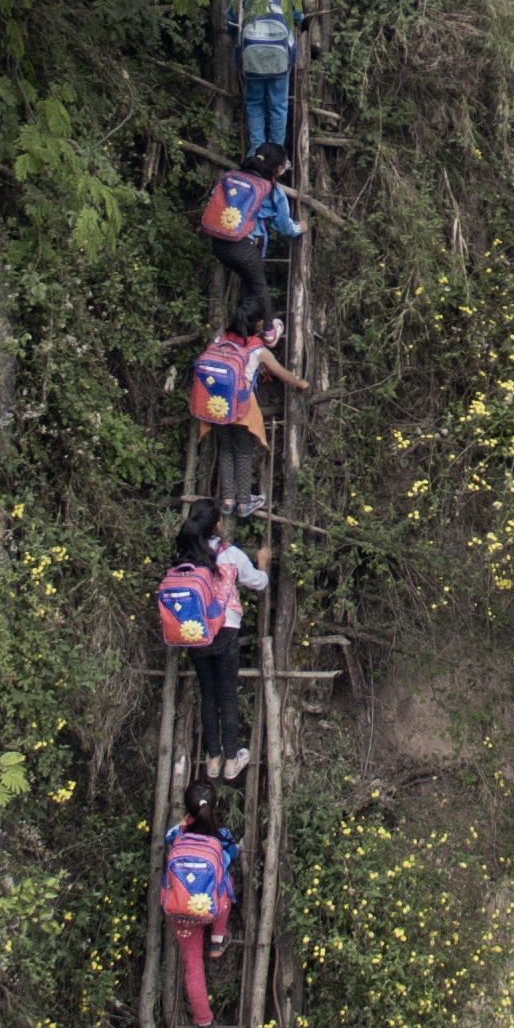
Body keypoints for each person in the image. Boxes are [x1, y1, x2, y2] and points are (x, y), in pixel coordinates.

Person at [168, 512, 271, 776]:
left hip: (195, 631)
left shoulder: (185, 553)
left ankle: (212, 758)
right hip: (225, 628)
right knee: (227, 694)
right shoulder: (231, 554)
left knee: (208, 693)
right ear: (216, 526)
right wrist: (263, 564)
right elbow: (259, 583)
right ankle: (231, 759)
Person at [188, 313, 307, 510]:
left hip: (217, 405)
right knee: (243, 452)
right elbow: (280, 372)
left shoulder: (220, 341)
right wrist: (301, 383)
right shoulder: (257, 349)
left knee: (226, 449)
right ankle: (243, 502)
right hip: (243, 408)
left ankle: (227, 501)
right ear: (254, 328)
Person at [158, 785, 244, 1028]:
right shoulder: (222, 835)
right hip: (210, 908)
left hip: (180, 913)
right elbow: (232, 855)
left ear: (187, 809)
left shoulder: (176, 833)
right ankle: (217, 940)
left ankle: (204, 1025)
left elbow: (168, 837)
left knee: (193, 965)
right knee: (227, 885)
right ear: (214, 806)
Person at [192, 145, 303, 330]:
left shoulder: (232, 178)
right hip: (245, 247)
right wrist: (300, 227)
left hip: (219, 244)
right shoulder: (273, 191)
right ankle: (267, 330)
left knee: (249, 288)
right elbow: (284, 227)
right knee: (259, 287)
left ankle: (241, 331)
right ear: (278, 168)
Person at [229, 0, 306, 152]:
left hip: (251, 56)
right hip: (280, 57)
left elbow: (231, 20)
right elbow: (298, 17)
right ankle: (276, 155)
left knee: (254, 103)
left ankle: (256, 153)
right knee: (278, 106)